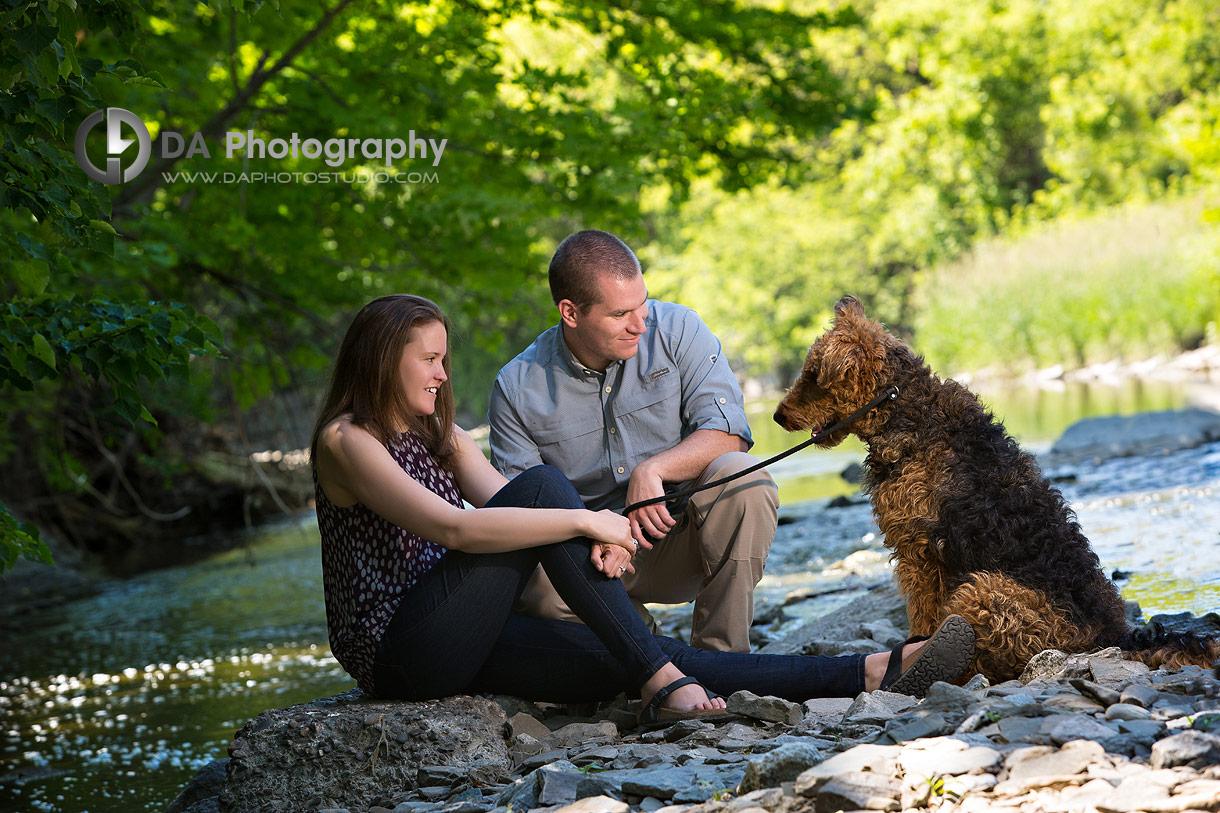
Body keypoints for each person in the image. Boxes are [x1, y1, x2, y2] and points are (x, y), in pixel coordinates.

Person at [309, 293, 976, 716]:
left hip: (466, 626)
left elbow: (500, 505)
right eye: (429, 359)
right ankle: (661, 678)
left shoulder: (438, 433)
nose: (442, 374)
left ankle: (870, 670)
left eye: (444, 359)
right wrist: (587, 519)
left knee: (624, 652)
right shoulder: (347, 440)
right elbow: (455, 524)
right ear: (381, 360)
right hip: (403, 650)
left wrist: (582, 530)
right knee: (548, 490)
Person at [488, 229, 776, 652]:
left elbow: (730, 434)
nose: (640, 324)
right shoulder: (516, 388)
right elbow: (522, 513)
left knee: (744, 476)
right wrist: (597, 532)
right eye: (621, 313)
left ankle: (725, 657)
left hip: (684, 538)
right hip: (591, 563)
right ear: (570, 312)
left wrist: (654, 469)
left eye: (642, 304)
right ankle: (654, 658)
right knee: (537, 586)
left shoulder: (677, 329)